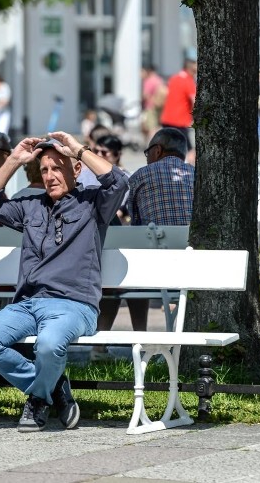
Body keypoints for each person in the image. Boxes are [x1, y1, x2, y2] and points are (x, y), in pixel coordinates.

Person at [0, 131, 128, 432]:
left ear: (76, 170)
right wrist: (14, 159)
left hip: (74, 305)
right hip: (27, 304)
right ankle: (53, 388)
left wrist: (78, 149)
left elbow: (118, 182)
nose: (50, 176)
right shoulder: (31, 205)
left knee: (49, 344)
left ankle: (38, 400)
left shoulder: (94, 205)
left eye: (57, 168)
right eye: (44, 170)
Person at [90, 128, 194, 361]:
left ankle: (117, 342)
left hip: (155, 266)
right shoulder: (196, 175)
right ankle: (141, 341)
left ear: (157, 150)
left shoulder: (140, 176)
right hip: (192, 265)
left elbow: (137, 225)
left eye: (147, 152)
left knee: (121, 273)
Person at [160, 58, 197, 164]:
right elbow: (194, 100)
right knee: (189, 150)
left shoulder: (174, 78)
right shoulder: (188, 81)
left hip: (166, 119)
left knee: (169, 149)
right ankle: (190, 174)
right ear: (191, 69)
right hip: (180, 121)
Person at [140, 65, 167, 141]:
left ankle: (151, 146)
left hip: (150, 107)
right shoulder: (159, 80)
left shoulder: (148, 81)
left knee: (151, 128)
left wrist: (141, 100)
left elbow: (145, 95)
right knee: (157, 127)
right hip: (160, 106)